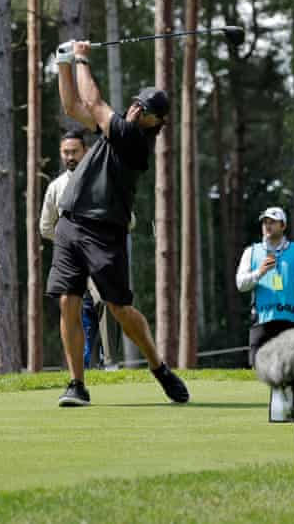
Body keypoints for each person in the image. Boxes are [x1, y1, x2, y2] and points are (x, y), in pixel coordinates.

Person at [48, 39, 189, 407]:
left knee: (119, 308)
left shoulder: (134, 141)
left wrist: (80, 58)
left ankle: (158, 367)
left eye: (146, 109)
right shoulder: (115, 131)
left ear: (155, 121)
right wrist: (64, 63)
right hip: (70, 225)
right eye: (138, 102)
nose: (137, 108)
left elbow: (93, 102)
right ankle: (76, 384)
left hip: (103, 231)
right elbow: (73, 106)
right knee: (68, 301)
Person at [39, 129, 103, 369]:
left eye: (74, 151)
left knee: (107, 305)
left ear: (85, 151)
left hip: (102, 258)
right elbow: (46, 227)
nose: (70, 157)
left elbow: (129, 220)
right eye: (65, 152)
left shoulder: (102, 180)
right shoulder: (55, 187)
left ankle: (109, 362)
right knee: (73, 308)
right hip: (71, 261)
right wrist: (70, 243)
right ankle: (81, 366)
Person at [236, 207, 294, 368]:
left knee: (291, 372)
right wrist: (260, 272)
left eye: (272, 222)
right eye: (265, 222)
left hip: (291, 321)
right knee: (257, 371)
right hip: (261, 320)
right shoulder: (251, 252)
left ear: (283, 226)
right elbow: (241, 284)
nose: (267, 226)